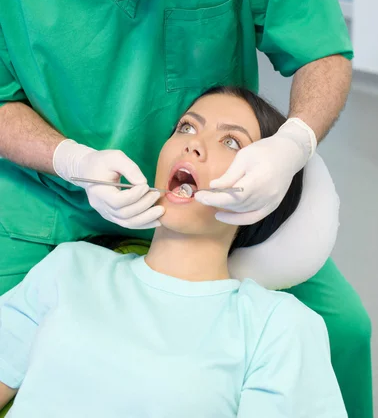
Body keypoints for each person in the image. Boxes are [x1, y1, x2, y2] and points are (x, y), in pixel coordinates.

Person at [0, 0, 371, 417]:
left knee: (345, 333)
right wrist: (71, 160)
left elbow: (321, 48)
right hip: (49, 209)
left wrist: (293, 143)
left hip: (219, 221)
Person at [0, 88, 347, 418]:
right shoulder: (71, 266)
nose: (193, 144)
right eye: (186, 127)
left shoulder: (277, 327)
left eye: (231, 141)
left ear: (265, 192)